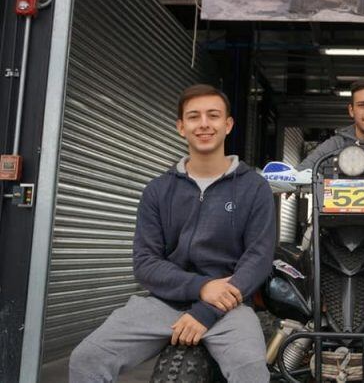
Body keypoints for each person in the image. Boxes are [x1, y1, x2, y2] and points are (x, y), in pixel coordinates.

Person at [69, 84, 276, 383]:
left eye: (213, 115)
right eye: (194, 117)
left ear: (228, 124)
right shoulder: (158, 190)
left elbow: (257, 259)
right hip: (163, 302)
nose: (204, 124)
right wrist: (203, 287)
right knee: (87, 358)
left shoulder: (254, 188)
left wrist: (207, 310)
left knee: (250, 369)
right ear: (181, 127)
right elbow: (145, 262)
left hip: (229, 307)